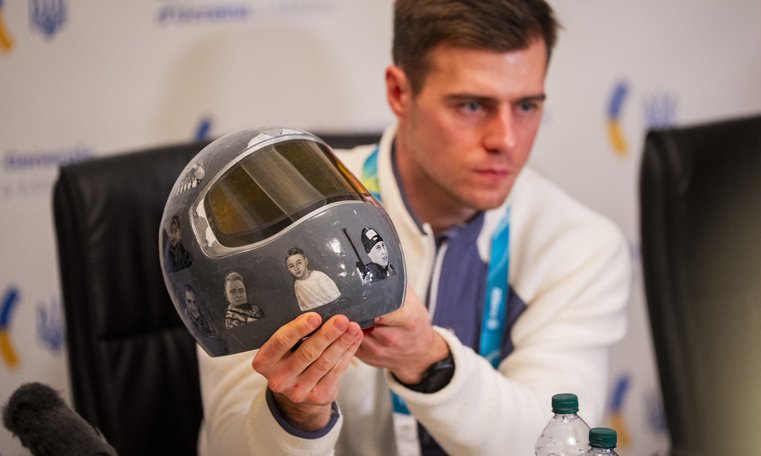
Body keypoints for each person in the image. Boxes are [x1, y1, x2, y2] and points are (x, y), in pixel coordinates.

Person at [197, 1, 631, 455]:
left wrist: (429, 361)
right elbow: (229, 444)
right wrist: (294, 415)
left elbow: (555, 441)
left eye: (526, 105)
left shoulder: (581, 245)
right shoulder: (280, 222)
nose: (505, 139)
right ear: (400, 92)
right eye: (472, 105)